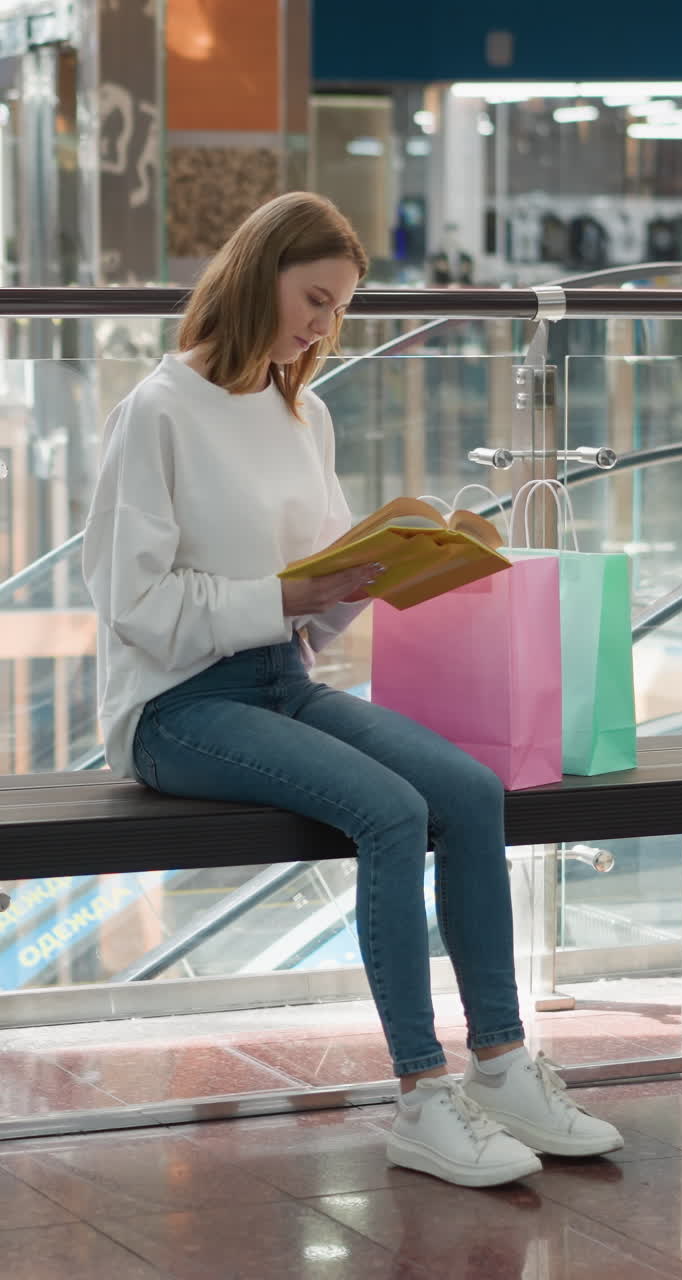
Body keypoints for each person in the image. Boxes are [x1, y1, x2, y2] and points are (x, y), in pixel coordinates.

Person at [82, 191, 622, 1189]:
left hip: (280, 679)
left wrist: (383, 572)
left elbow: (312, 602)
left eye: (337, 311)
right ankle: (420, 1095)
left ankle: (500, 1062)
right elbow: (135, 607)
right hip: (176, 708)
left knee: (467, 791)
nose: (323, 328)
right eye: (315, 300)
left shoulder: (305, 411)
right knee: (391, 809)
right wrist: (291, 591)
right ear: (257, 276)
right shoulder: (156, 410)